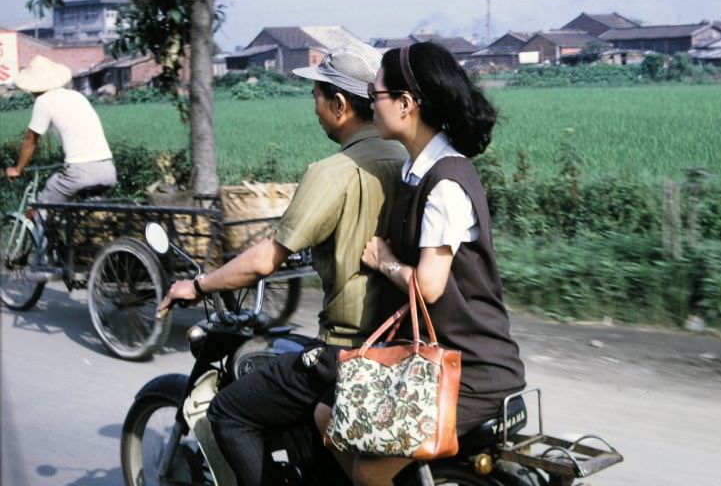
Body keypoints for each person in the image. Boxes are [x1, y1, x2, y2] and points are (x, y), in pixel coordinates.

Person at [156, 42, 407, 486]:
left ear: (340, 104)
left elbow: (266, 259)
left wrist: (196, 286)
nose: (313, 107)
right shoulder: (403, 159)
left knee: (229, 411)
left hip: (344, 349)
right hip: (399, 341)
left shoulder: (334, 171)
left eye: (316, 95)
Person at [317, 42, 527, 486]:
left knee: (369, 473)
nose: (370, 105)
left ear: (406, 104)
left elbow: (428, 286)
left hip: (470, 369)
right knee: (328, 416)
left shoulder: (445, 184)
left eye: (375, 97)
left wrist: (385, 260)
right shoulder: (418, 171)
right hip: (434, 358)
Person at [5, 55, 117, 202]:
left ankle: (41, 223)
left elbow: (30, 140)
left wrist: (17, 169)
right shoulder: (77, 96)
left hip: (80, 172)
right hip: (108, 170)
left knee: (44, 205)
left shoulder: (43, 101)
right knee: (78, 213)